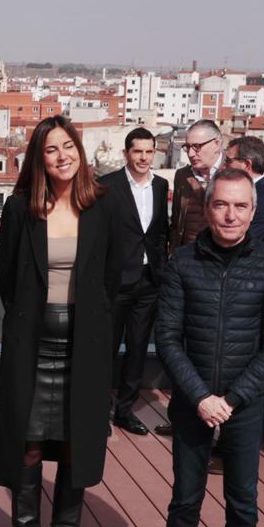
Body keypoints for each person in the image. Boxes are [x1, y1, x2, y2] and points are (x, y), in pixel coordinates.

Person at [148, 166, 264, 527]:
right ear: (207, 208)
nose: (231, 215)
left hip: (243, 404)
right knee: (185, 498)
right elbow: (167, 338)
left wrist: (231, 399)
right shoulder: (183, 262)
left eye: (240, 206)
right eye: (222, 204)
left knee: (243, 500)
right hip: (193, 400)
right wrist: (200, 397)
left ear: (253, 211)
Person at [0, 115, 122, 527]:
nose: (62, 156)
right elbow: (7, 279)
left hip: (84, 350)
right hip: (32, 347)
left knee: (74, 450)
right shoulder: (19, 208)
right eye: (51, 150)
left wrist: (89, 323)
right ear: (39, 159)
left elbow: (113, 278)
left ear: (80, 151)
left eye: (68, 146)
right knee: (27, 449)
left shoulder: (103, 205)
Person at [98, 127, 170, 434]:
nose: (143, 157)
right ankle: (98, 412)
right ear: (126, 153)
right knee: (106, 349)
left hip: (148, 281)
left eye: (148, 151)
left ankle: (124, 411)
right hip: (116, 282)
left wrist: (160, 269)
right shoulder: (107, 185)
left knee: (138, 348)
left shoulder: (161, 185)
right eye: (137, 151)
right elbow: (98, 235)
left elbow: (161, 232)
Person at [170, 120, 224, 252]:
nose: (190, 154)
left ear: (216, 144)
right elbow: (176, 221)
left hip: (220, 255)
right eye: (187, 147)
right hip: (187, 255)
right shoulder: (182, 176)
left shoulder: (234, 173)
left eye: (197, 147)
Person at [225, 135, 264, 248]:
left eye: (228, 161)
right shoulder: (253, 193)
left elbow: (240, 242)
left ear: (247, 164)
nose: (224, 166)